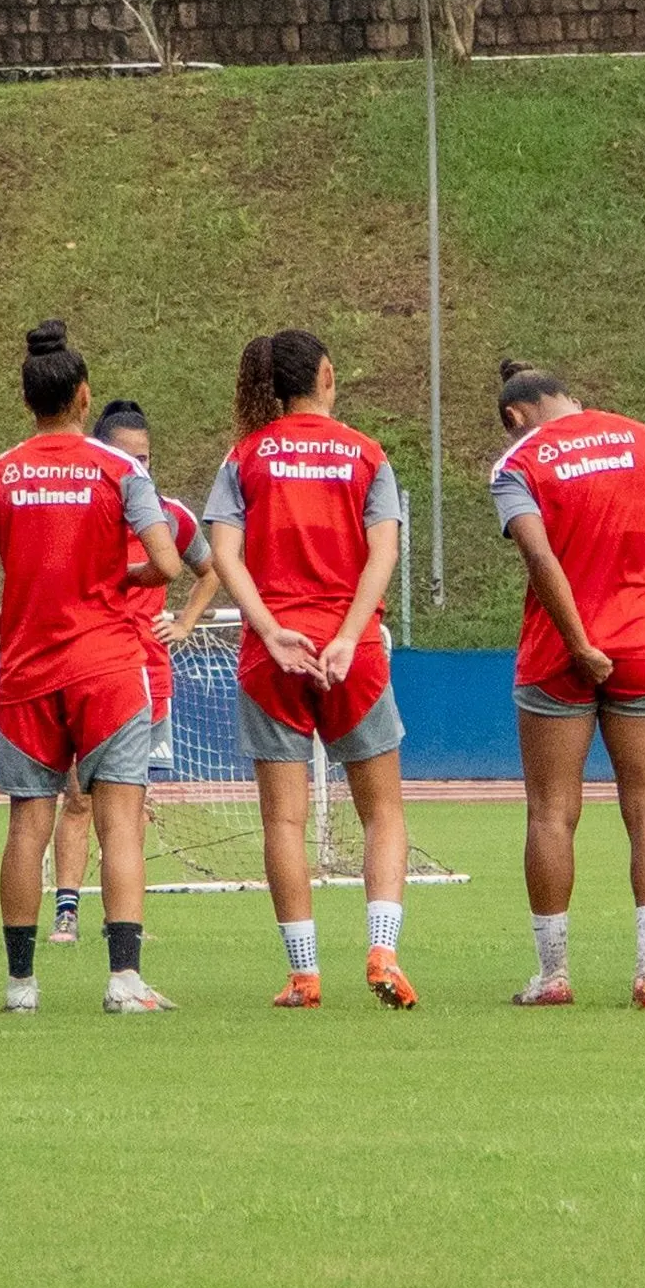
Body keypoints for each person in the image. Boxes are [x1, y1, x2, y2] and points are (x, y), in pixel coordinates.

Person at [0, 321, 194, 1013]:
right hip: (108, 667)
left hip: (27, 671)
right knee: (119, 819)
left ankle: (21, 986)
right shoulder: (121, 470)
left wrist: (12, 618)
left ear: (28, 398)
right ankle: (123, 980)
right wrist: (120, 581)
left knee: (27, 824)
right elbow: (170, 561)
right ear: (84, 395)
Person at [205, 328, 419, 1009]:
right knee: (382, 811)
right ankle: (381, 951)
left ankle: (303, 974)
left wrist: (268, 630)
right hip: (350, 651)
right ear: (326, 375)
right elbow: (382, 554)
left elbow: (224, 554)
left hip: (274, 654)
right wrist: (352, 635)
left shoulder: (245, 457)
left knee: (282, 822)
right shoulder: (364, 454)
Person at [489, 360, 645, 1009]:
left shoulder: (518, 462)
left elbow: (539, 554)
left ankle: (552, 975)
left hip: (560, 653)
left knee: (552, 811)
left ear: (516, 415)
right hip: (642, 643)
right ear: (569, 397)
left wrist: (579, 640)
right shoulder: (641, 438)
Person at [50, 400, 210, 944]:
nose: (138, 467)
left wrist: (185, 623)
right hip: (87, 669)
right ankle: (65, 910)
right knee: (78, 796)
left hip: (147, 677)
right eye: (128, 457)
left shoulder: (166, 515)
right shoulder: (76, 511)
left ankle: (123, 920)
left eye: (145, 457)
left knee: (132, 804)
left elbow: (208, 569)